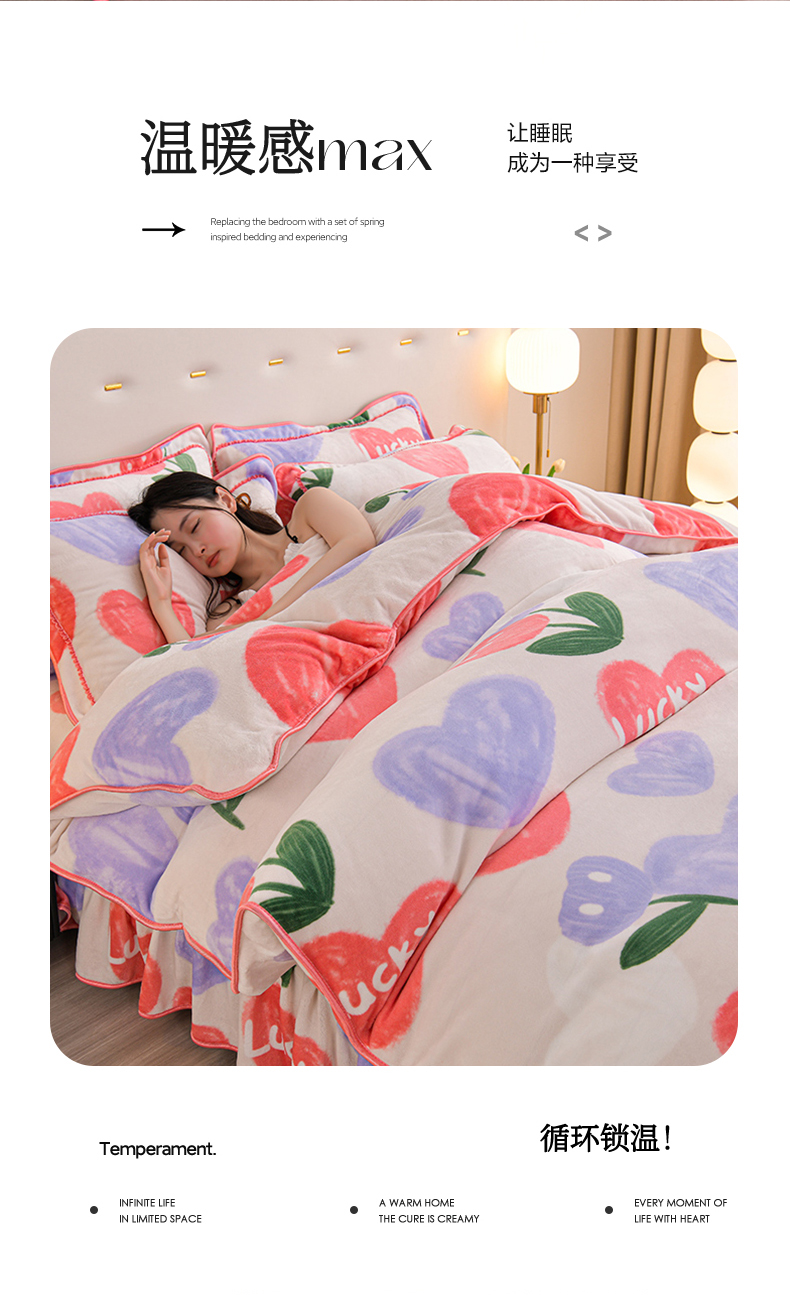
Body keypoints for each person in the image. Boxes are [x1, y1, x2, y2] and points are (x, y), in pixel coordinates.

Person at [128, 471, 375, 643]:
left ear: (225, 500)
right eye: (181, 550)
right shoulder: (230, 613)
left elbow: (359, 541)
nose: (196, 550)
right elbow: (191, 653)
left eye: (194, 527)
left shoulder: (311, 510)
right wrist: (161, 603)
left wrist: (269, 615)